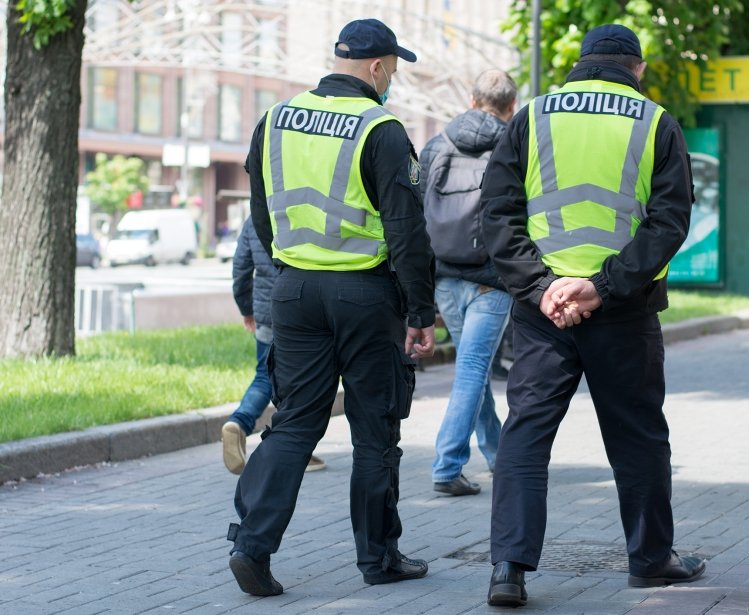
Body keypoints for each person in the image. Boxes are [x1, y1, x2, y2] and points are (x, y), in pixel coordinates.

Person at [480, 24, 706, 607]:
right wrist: (603, 286)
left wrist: (542, 287)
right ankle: (652, 560)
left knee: (525, 435)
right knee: (638, 437)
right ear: (638, 68)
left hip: (543, 313)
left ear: (580, 64)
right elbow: (668, 224)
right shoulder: (655, 120)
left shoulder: (532, 116)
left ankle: (509, 568)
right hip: (623, 310)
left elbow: (498, 212)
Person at [225, 18, 436, 597]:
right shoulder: (382, 128)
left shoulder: (275, 120)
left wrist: (292, 265)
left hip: (294, 291)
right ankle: (379, 558)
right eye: (392, 68)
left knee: (293, 424)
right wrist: (420, 312)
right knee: (374, 431)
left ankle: (252, 545)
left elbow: (261, 213)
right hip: (365, 296)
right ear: (375, 67)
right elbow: (406, 230)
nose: (392, 78)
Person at [420, 70, 516, 496]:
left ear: (474, 101)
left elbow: (414, 213)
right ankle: (446, 467)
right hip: (490, 281)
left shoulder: (436, 146)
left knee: (470, 370)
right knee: (473, 370)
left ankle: (497, 453)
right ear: (510, 107)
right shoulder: (514, 145)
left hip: (444, 277)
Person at [220, 216, 326, 475]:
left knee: (264, 376)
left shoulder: (252, 219)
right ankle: (295, 447)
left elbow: (241, 267)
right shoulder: (298, 207)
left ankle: (239, 424)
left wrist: (247, 308)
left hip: (266, 311)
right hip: (299, 306)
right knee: (300, 381)